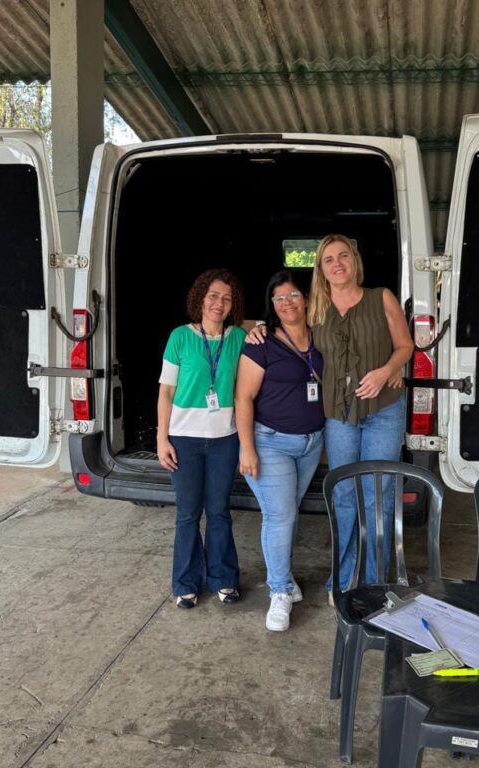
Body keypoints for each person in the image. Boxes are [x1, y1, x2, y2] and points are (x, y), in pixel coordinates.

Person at [248, 235, 414, 598]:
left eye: (343, 256)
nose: (337, 264)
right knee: (342, 493)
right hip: (338, 414)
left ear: (355, 260)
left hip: (383, 408)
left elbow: (406, 346)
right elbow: (284, 317)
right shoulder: (315, 309)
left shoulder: (381, 297)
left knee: (378, 492)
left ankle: (371, 578)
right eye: (328, 260)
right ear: (320, 269)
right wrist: (258, 328)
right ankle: (342, 575)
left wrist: (386, 370)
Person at [235, 272, 325, 631]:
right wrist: (247, 448)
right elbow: (243, 397)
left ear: (305, 299)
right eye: (278, 298)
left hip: (310, 443)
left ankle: (284, 578)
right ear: (271, 306)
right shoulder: (261, 342)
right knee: (280, 516)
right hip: (270, 441)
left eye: (292, 295)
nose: (287, 303)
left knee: (289, 512)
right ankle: (279, 591)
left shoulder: (321, 336)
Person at [157, 269, 247, 609]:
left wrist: (262, 329)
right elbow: (165, 393)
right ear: (201, 299)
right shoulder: (180, 336)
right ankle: (185, 582)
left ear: (232, 305)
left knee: (220, 511)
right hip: (184, 439)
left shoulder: (238, 337)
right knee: (188, 514)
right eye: (213, 296)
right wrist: (162, 439)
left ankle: (224, 578)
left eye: (226, 298)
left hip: (225, 439)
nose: (218, 303)